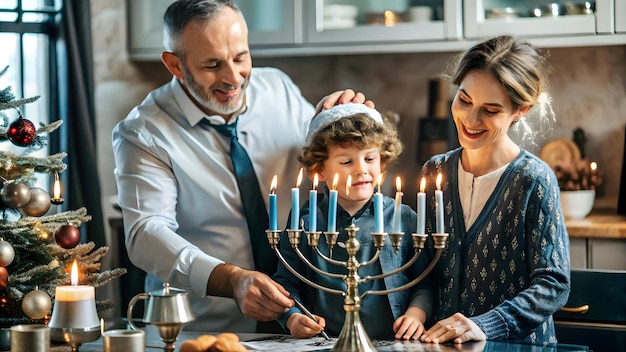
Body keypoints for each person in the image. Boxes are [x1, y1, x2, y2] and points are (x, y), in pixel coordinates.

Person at [112, 0, 372, 332]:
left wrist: (336, 119)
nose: (233, 78)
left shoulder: (278, 89)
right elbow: (146, 234)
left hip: (308, 323)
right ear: (175, 65)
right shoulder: (143, 132)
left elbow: (324, 159)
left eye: (240, 58)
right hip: (207, 330)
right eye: (212, 65)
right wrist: (231, 280)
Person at [413, 35, 571, 346]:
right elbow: (424, 271)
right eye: (465, 100)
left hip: (518, 346)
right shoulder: (435, 173)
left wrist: (485, 325)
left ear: (520, 110)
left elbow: (554, 284)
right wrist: (416, 313)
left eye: (490, 109)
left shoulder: (533, 179)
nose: (471, 119)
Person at [273, 103, 429, 341]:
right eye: (346, 162)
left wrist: (417, 314)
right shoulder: (303, 223)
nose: (361, 170)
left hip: (393, 343)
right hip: (327, 342)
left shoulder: (403, 218)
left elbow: (425, 281)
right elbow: (286, 283)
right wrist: (293, 316)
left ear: (382, 162)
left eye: (369, 158)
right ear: (320, 170)